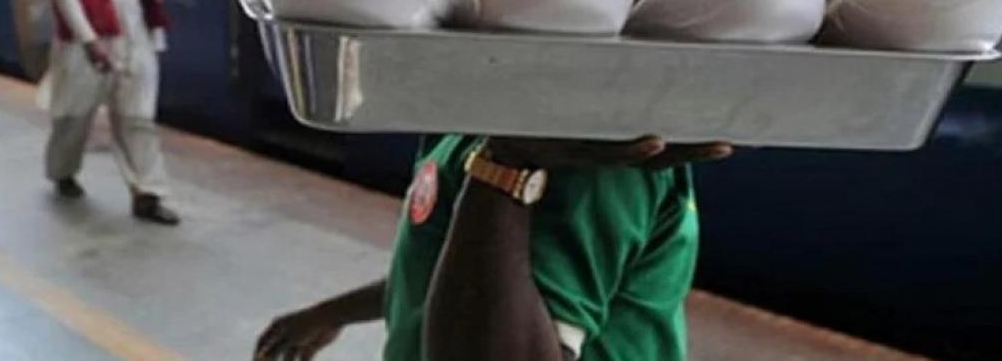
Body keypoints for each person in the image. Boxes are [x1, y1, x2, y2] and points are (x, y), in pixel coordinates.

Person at [255, 134, 731, 361]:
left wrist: (505, 168)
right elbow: (451, 276)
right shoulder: (472, 131)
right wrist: (332, 312)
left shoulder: (594, 160)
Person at [43, 0, 179, 225]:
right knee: (72, 117)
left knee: (138, 119)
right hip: (83, 43)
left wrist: (155, 38)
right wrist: (89, 41)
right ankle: (62, 171)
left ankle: (147, 193)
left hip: (135, 40)